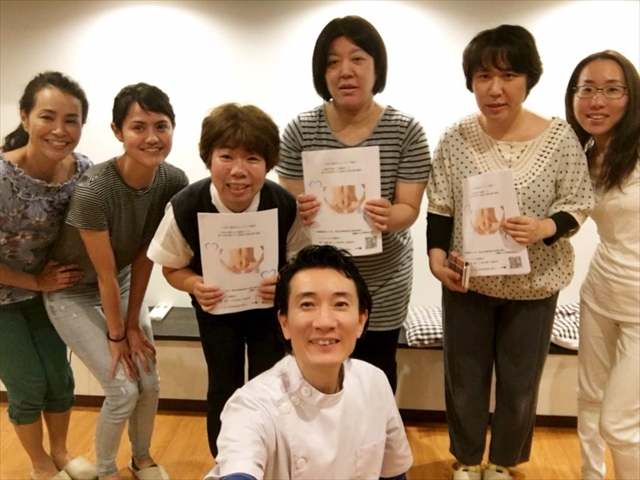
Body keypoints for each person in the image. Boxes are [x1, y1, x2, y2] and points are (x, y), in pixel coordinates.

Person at [426, 25, 594, 480]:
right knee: (464, 379)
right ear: (470, 81)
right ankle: (466, 459)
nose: (495, 89)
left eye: (508, 75)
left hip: (534, 286)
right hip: (467, 282)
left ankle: (502, 461)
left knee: (520, 384)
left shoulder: (559, 138)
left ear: (528, 79)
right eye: (483, 76)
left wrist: (544, 227)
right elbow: (440, 205)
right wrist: (436, 257)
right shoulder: (455, 137)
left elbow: (578, 203)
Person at [275, 15, 431, 392]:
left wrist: (389, 215)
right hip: (317, 278)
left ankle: (374, 431)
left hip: (384, 276)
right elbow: (292, 209)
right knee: (315, 370)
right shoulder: (299, 130)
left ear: (377, 67)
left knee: (376, 370)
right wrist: (300, 210)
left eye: (358, 58)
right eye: (333, 62)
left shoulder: (405, 130)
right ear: (322, 73)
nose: (345, 71)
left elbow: (409, 210)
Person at [43, 83, 189, 480]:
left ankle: (141, 459)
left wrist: (133, 325)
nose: (152, 137)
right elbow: (103, 273)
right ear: (117, 131)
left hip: (122, 284)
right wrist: (118, 334)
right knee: (123, 389)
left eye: (161, 126)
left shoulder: (173, 181)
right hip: (73, 293)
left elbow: (144, 258)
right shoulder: (94, 189)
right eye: (138, 127)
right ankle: (106, 471)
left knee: (150, 382)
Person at [147, 103, 308, 458]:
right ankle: (227, 462)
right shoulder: (186, 206)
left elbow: (300, 262)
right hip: (216, 311)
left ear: (268, 163)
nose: (238, 170)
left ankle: (272, 456)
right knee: (224, 384)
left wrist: (285, 280)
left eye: (252, 158)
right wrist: (194, 285)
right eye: (226, 156)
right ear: (208, 159)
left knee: (273, 381)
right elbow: (171, 268)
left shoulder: (283, 203)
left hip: (270, 311)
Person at [205, 244, 413, 480]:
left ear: (360, 320)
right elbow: (240, 464)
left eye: (340, 304)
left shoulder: (374, 381)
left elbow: (393, 474)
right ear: (284, 322)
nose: (324, 322)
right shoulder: (252, 405)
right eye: (307, 304)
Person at [0, 72, 97, 480]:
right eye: (47, 116)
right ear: (24, 117)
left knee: (59, 379)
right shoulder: (2, 177)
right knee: (27, 384)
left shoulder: (84, 172)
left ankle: (60, 453)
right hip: (4, 298)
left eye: (71, 120)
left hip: (50, 293)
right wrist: (37, 282)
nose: (60, 130)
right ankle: (40, 464)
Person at [565, 50, 640, 480]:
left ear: (631, 96)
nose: (597, 101)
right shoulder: (582, 153)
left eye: (612, 90)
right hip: (599, 292)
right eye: (587, 89)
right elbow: (569, 216)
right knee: (589, 397)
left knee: (621, 424)